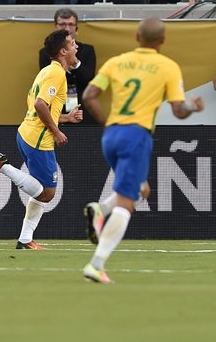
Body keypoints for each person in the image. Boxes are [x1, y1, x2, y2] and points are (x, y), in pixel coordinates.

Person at [81, 18, 204, 283]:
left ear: (137, 37)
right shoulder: (168, 67)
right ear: (162, 41)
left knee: (138, 189)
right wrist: (193, 106)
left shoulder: (116, 61)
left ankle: (101, 209)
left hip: (110, 135)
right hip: (136, 134)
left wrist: (108, 124)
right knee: (128, 204)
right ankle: (96, 264)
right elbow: (178, 110)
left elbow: (89, 96)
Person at [0, 28, 82, 250]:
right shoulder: (56, 74)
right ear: (63, 51)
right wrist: (56, 130)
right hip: (38, 138)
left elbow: (41, 108)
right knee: (47, 193)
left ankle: (25, 239)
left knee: (40, 191)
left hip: (27, 132)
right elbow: (40, 105)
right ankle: (2, 167)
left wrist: (66, 118)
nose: (76, 47)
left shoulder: (46, 71)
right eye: (72, 44)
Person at [39, 8, 97, 125]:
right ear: (56, 26)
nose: (67, 28)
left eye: (71, 24)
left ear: (76, 28)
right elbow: (47, 80)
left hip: (83, 108)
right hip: (57, 108)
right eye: (62, 24)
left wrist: (75, 63)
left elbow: (89, 79)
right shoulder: (46, 52)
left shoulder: (87, 50)